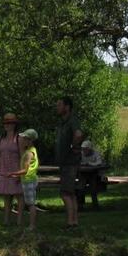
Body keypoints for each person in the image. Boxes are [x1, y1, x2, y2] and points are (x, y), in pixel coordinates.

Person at [55, 97, 84, 228]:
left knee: (65, 193)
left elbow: (78, 134)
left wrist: (73, 146)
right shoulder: (63, 122)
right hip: (65, 162)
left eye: (59, 105)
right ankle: (74, 221)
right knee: (70, 192)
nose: (57, 107)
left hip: (69, 162)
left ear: (67, 107)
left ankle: (70, 222)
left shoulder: (72, 120)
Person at [8, 129, 40, 232]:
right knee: (30, 203)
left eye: (25, 139)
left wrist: (12, 173)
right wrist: (16, 176)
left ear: (30, 140)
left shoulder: (29, 154)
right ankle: (32, 224)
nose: (22, 140)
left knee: (31, 204)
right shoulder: (31, 150)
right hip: (29, 180)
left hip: (29, 180)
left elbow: (25, 170)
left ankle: (32, 225)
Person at [0, 112, 23, 225]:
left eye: (10, 123)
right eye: (5, 123)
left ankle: (19, 221)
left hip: (16, 171)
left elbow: (23, 156)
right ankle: (6, 221)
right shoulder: (1, 138)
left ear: (14, 124)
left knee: (19, 196)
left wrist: (20, 173)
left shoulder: (19, 138)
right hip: (4, 171)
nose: (7, 125)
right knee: (6, 196)